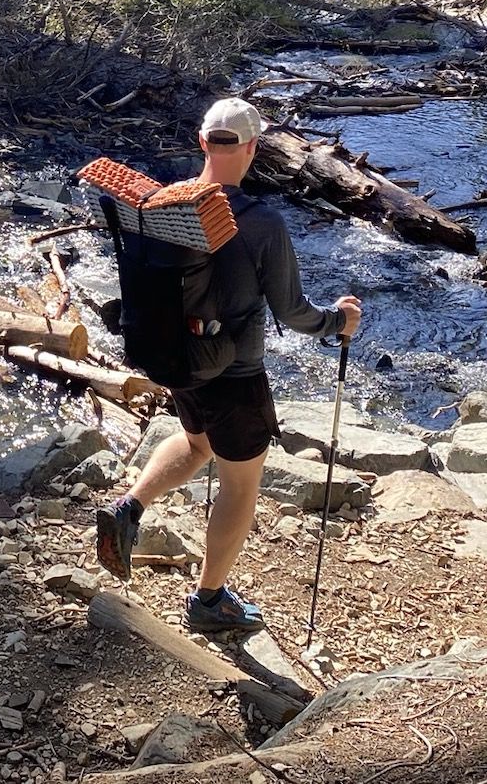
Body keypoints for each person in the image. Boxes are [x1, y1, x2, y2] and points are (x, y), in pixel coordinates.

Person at [94, 95, 362, 634]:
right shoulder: (261, 223)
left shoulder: (162, 203)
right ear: (253, 148)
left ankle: (129, 507)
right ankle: (210, 601)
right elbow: (293, 311)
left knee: (197, 445)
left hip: (178, 359)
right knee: (241, 484)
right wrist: (340, 322)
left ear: (202, 142)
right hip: (234, 374)